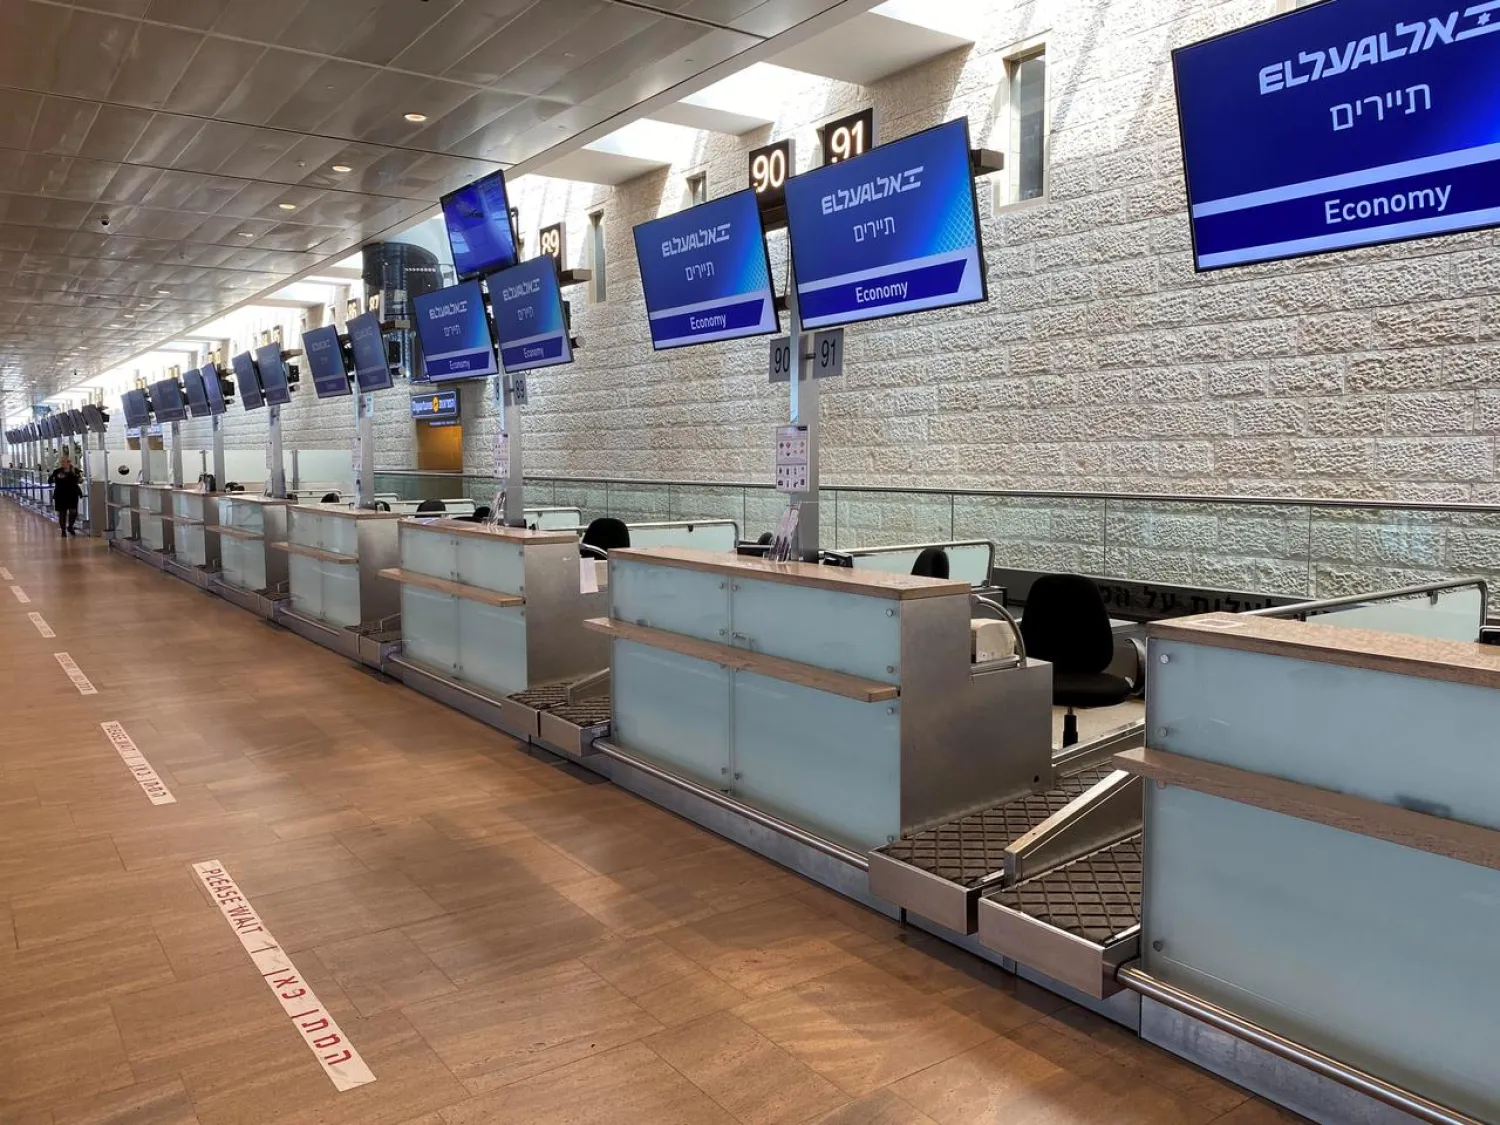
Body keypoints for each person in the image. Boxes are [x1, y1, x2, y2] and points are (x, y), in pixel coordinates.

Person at [49, 455, 83, 537]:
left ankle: (70, 526)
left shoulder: (75, 471)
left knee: (73, 512)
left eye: (64, 461)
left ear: (69, 462)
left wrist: (78, 477)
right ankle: (63, 530)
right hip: (60, 495)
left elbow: (80, 480)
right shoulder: (57, 471)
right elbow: (50, 480)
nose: (62, 463)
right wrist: (53, 479)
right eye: (62, 462)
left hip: (72, 494)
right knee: (62, 513)